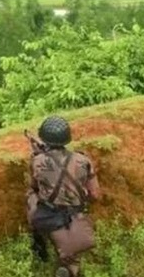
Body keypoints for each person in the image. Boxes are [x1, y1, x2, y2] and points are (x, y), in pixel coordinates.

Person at [26, 116, 102, 277]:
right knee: (72, 259)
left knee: (31, 194)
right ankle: (69, 267)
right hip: (75, 216)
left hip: (47, 217)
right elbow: (96, 194)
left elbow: (34, 186)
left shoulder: (37, 161)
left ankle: (37, 238)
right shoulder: (83, 160)